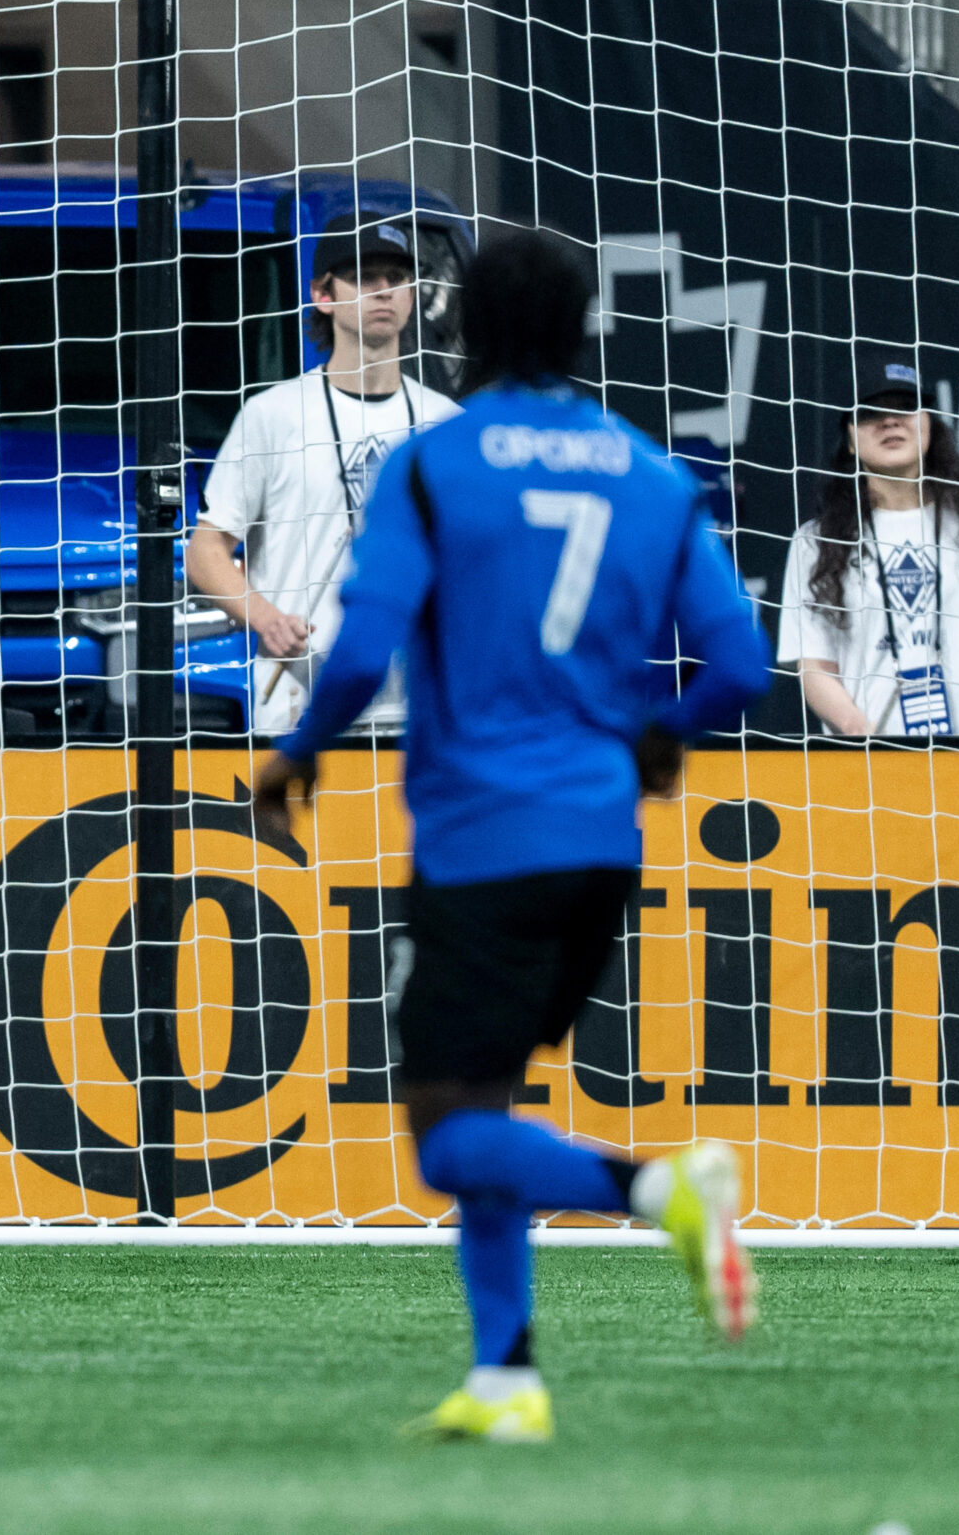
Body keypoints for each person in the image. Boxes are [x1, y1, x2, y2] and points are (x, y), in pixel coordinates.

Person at [252, 227, 773, 1442]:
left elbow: (367, 646)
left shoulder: (436, 465)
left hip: (483, 836)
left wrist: (295, 756)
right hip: (602, 836)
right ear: (582, 328)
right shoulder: (649, 471)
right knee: (488, 1101)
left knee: (446, 1135)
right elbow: (742, 661)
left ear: (464, 329)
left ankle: (656, 1187)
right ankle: (506, 1380)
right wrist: (662, 735)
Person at [185, 213, 458, 734]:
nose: (384, 292)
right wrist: (265, 618)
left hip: (418, 702)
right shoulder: (274, 415)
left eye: (397, 279)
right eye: (364, 277)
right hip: (298, 699)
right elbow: (206, 551)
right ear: (323, 294)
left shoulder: (446, 423)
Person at [779, 359, 959, 736]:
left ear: (929, 424)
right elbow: (813, 663)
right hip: (866, 768)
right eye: (871, 413)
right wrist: (858, 732)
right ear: (849, 438)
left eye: (905, 408)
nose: (890, 422)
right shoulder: (815, 542)